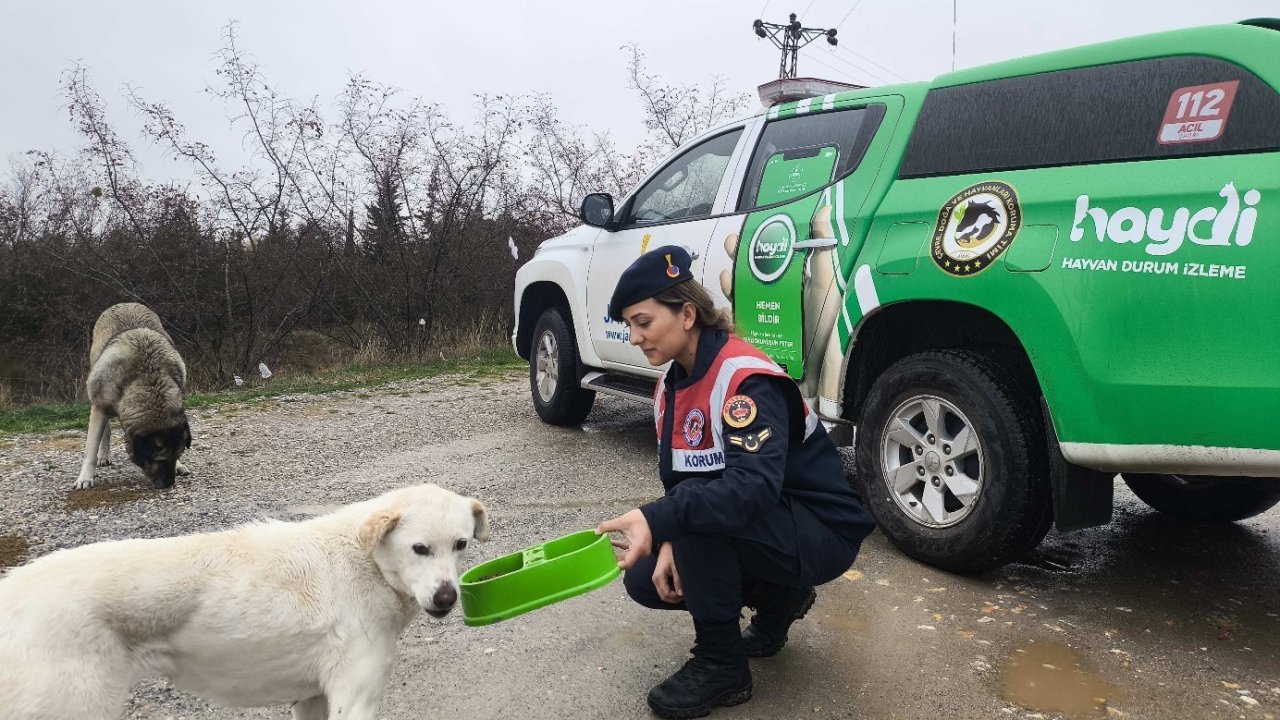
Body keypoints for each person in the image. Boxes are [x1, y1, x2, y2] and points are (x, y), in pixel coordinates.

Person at [596, 245, 876, 719]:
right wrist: (669, 539)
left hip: (821, 531)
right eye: (629, 326)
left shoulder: (743, 379)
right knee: (648, 578)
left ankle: (722, 666)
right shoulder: (672, 386)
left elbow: (749, 491)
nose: (635, 336)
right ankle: (780, 599)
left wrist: (664, 521)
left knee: (696, 522)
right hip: (771, 527)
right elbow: (684, 484)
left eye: (643, 322)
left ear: (686, 314)